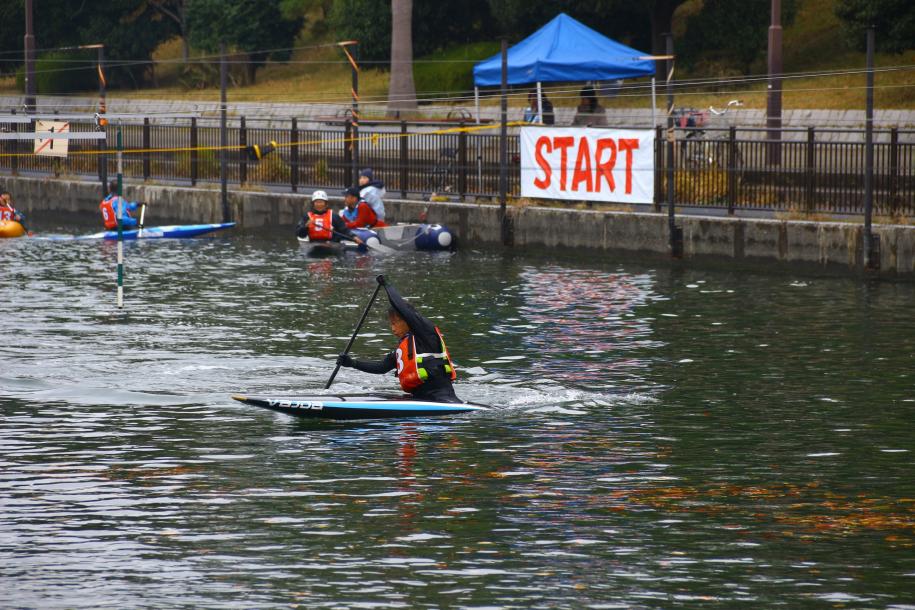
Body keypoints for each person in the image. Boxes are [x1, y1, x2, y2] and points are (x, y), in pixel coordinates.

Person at [337, 275, 460, 403]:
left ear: (407, 321)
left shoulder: (426, 333)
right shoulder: (403, 349)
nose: (393, 328)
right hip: (420, 399)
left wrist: (387, 285)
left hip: (443, 399)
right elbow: (381, 367)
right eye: (391, 324)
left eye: (395, 323)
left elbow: (402, 308)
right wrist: (352, 363)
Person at [295, 190, 363, 244]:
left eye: (321, 202)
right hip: (314, 244)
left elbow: (344, 230)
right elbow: (299, 234)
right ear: (313, 204)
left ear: (326, 204)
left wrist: (354, 237)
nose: (319, 204)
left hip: (331, 244)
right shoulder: (307, 217)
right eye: (317, 202)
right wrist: (305, 227)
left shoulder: (334, 217)